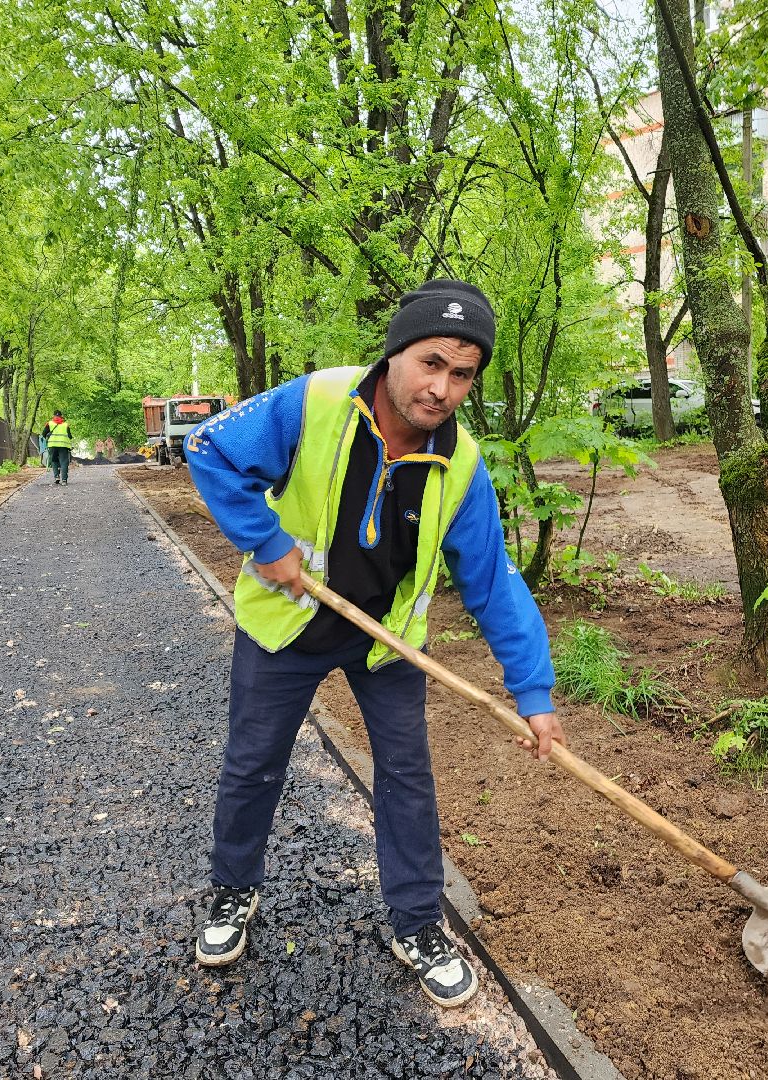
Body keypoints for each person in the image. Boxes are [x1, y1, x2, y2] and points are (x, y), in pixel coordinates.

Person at [184, 278, 566, 1009]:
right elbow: (210, 449)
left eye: (463, 374)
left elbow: (493, 581)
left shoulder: (461, 463)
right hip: (286, 625)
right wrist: (264, 541)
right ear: (395, 353)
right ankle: (233, 891)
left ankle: (417, 924)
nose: (443, 388)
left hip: (386, 643)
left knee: (406, 778)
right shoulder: (318, 402)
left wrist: (533, 691)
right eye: (431, 362)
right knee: (253, 763)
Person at [42, 410, 72, 485]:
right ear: (61, 416)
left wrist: (49, 436)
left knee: (54, 461)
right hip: (63, 446)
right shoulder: (66, 425)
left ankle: (57, 477)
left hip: (52, 446)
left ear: (54, 416)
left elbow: (43, 434)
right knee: (64, 462)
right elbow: (70, 436)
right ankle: (64, 480)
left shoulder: (49, 424)